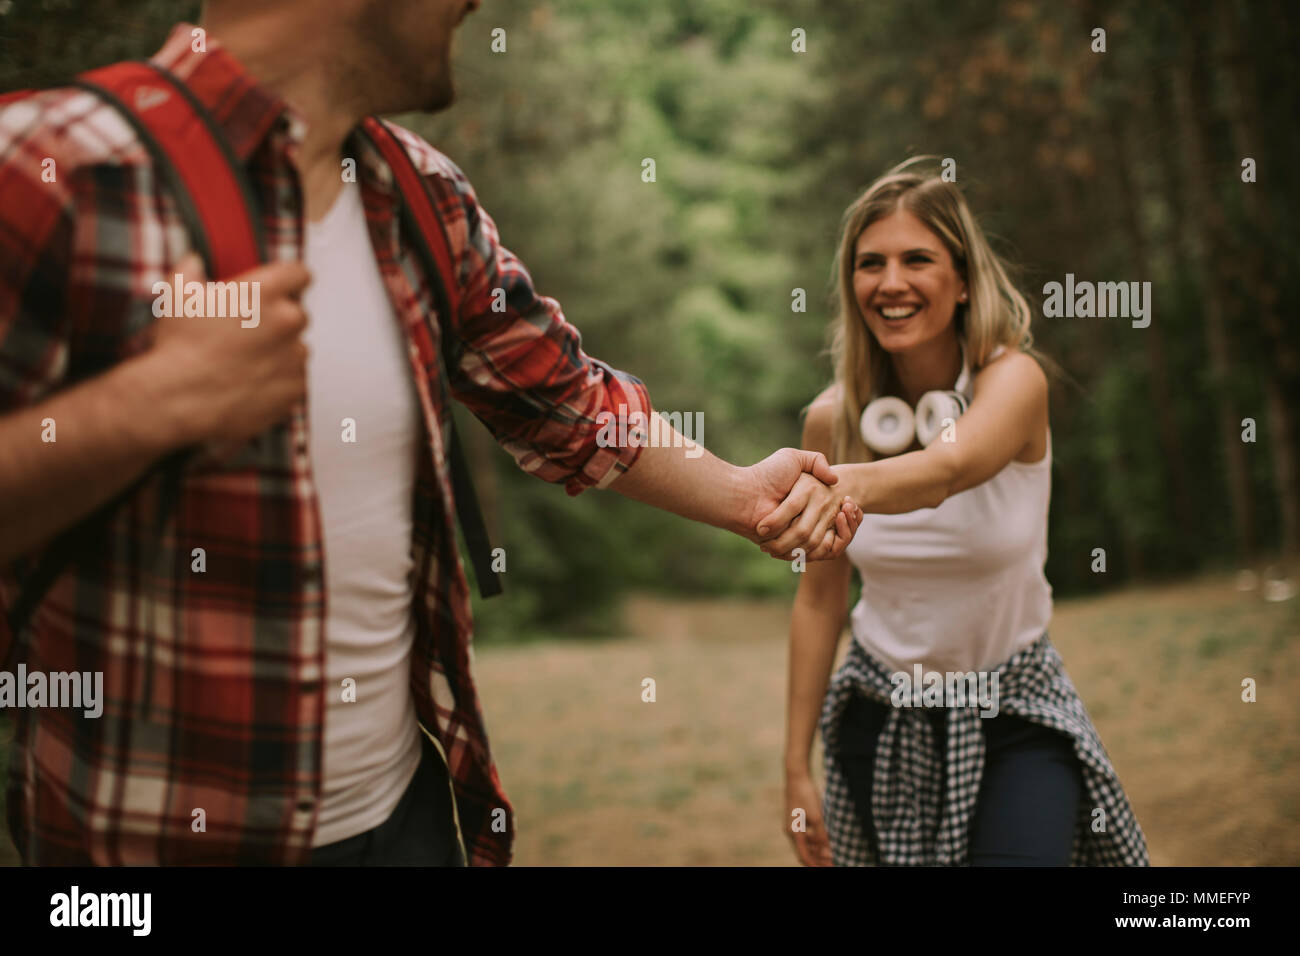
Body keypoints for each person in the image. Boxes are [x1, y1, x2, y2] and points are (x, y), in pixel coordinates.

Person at [0, 0, 864, 866]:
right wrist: (148, 404)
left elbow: (565, 402)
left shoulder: (419, 194)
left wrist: (746, 495)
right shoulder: (51, 165)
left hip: (405, 819)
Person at [774, 157, 1149, 866]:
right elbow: (820, 601)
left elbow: (947, 470)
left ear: (963, 279)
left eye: (917, 259)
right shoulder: (830, 422)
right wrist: (796, 765)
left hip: (1014, 713)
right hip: (879, 720)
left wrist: (823, 489)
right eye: (869, 263)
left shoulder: (1014, 382)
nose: (890, 282)